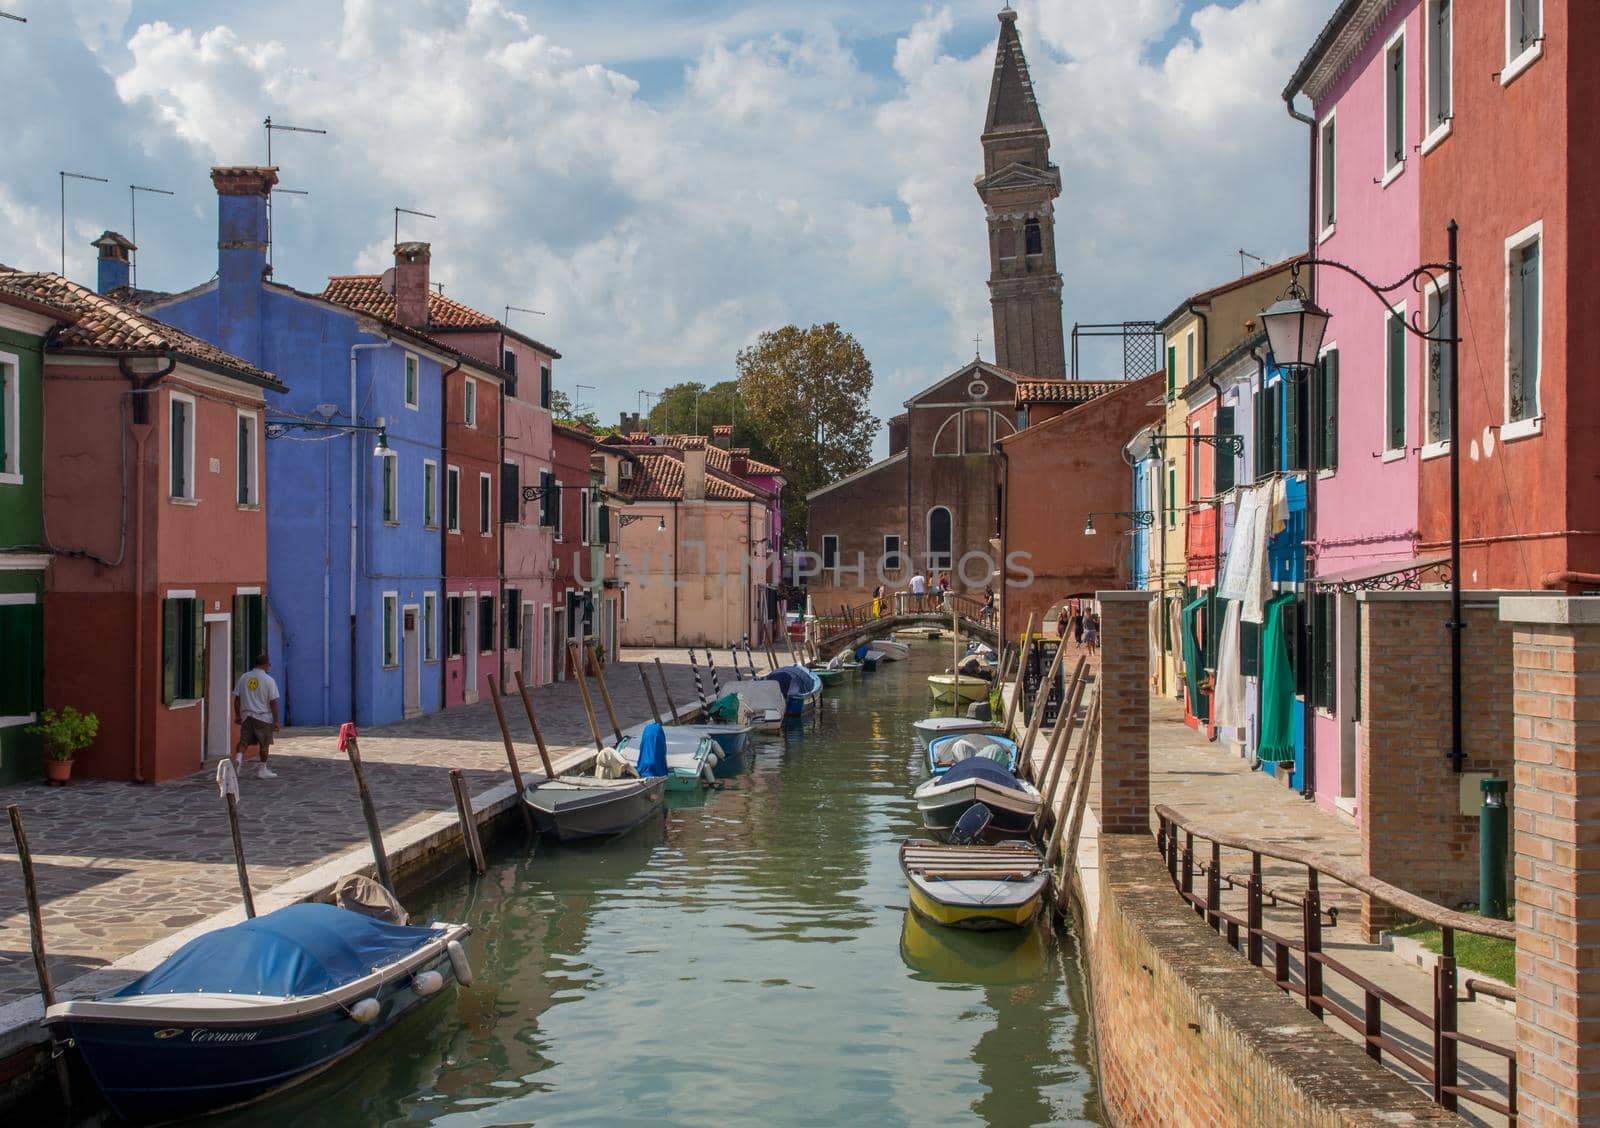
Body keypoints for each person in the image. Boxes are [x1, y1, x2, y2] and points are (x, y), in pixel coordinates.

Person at [232, 652, 280, 779]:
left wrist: (238, 715)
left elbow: (237, 699)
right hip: (263, 717)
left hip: (247, 715)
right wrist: (276, 721)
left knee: (244, 741)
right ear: (266, 664)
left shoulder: (244, 677)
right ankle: (262, 769)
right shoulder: (269, 680)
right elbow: (273, 702)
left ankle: (238, 759)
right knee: (264, 744)